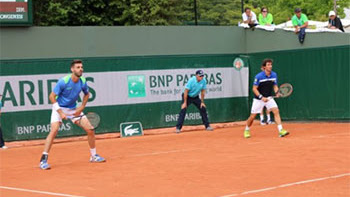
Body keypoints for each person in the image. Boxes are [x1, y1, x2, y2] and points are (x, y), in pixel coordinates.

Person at [39, 59, 105, 170]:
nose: (81, 69)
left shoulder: (83, 81)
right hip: (59, 109)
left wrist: (81, 107)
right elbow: (51, 97)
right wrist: (60, 113)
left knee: (90, 130)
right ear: (72, 69)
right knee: (54, 130)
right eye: (78, 67)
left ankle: (93, 156)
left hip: (73, 110)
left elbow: (87, 94)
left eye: (81, 67)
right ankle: (43, 160)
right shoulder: (63, 81)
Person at [243, 59, 289, 138]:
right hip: (258, 99)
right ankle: (247, 129)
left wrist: (277, 92)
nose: (270, 66)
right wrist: (261, 97)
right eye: (268, 65)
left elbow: (275, 85)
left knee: (276, 111)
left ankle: (281, 130)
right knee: (252, 116)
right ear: (264, 67)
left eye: (271, 64)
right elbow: (254, 89)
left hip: (269, 98)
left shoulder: (274, 75)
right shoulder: (259, 76)